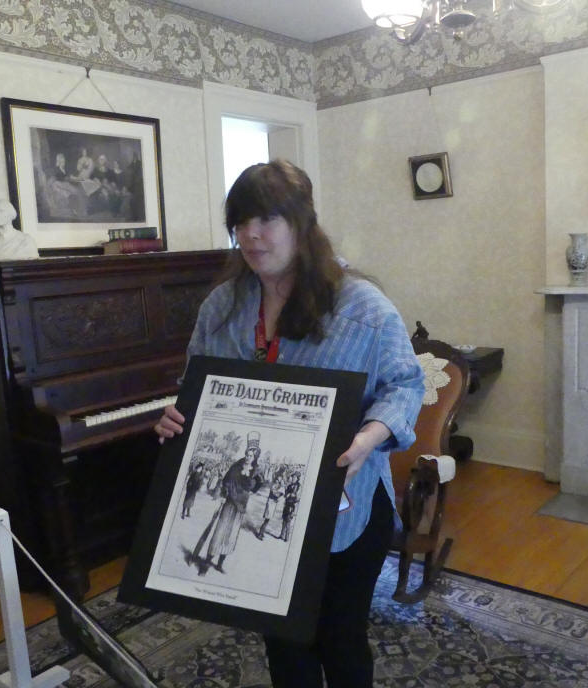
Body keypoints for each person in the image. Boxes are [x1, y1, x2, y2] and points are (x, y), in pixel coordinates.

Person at [154, 159, 424, 688]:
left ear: (302, 224)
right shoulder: (222, 307)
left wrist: (369, 439)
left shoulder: (363, 308)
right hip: (268, 525)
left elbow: (406, 386)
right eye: (239, 222)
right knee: (282, 642)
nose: (250, 236)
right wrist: (178, 418)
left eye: (266, 220)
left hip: (345, 514)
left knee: (341, 642)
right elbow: (199, 386)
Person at [192, 432, 263, 574]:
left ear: (255, 457)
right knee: (219, 532)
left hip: (240, 507)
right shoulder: (236, 466)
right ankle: (206, 563)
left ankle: (219, 563)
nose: (249, 457)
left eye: (252, 456)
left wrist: (252, 480)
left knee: (231, 536)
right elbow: (225, 481)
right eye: (248, 454)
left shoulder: (256, 471)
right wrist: (224, 494)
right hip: (229, 504)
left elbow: (255, 487)